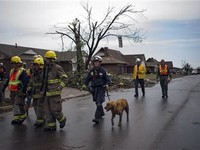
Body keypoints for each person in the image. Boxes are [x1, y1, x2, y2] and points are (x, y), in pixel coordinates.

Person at [42, 50, 68, 132]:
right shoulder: (46, 68)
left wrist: (60, 87)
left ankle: (62, 119)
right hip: (46, 94)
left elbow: (65, 78)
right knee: (48, 111)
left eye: (46, 59)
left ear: (51, 59)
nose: (45, 60)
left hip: (55, 94)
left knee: (55, 111)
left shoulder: (57, 68)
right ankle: (51, 126)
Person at [83, 55, 111, 124]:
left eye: (97, 62)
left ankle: (97, 118)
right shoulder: (91, 71)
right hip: (93, 89)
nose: (96, 63)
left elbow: (108, 80)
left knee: (99, 103)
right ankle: (101, 113)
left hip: (101, 88)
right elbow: (87, 79)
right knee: (97, 102)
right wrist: (84, 85)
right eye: (95, 62)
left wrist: (107, 85)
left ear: (100, 63)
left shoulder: (103, 70)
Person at [3, 56, 28, 125]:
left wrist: (23, 91)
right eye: (12, 63)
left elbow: (25, 82)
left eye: (14, 63)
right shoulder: (12, 71)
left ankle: (23, 116)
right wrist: (4, 87)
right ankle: (16, 118)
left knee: (19, 104)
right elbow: (9, 79)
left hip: (19, 91)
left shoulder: (22, 71)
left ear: (18, 63)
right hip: (12, 91)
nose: (13, 65)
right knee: (14, 105)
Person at [27, 57, 45, 128]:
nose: (34, 66)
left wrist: (43, 91)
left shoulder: (44, 73)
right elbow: (31, 82)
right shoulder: (34, 73)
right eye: (34, 65)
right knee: (35, 106)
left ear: (40, 65)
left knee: (40, 107)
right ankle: (40, 118)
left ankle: (40, 120)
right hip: (34, 94)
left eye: (36, 65)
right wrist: (29, 89)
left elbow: (45, 83)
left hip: (40, 93)